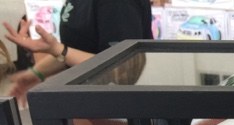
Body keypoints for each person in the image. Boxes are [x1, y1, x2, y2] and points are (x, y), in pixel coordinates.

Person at [3, 0, 152, 106]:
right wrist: (36, 73)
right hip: (91, 102)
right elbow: (76, 50)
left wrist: (58, 49)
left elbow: (123, 70)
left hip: (120, 108)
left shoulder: (118, 4)